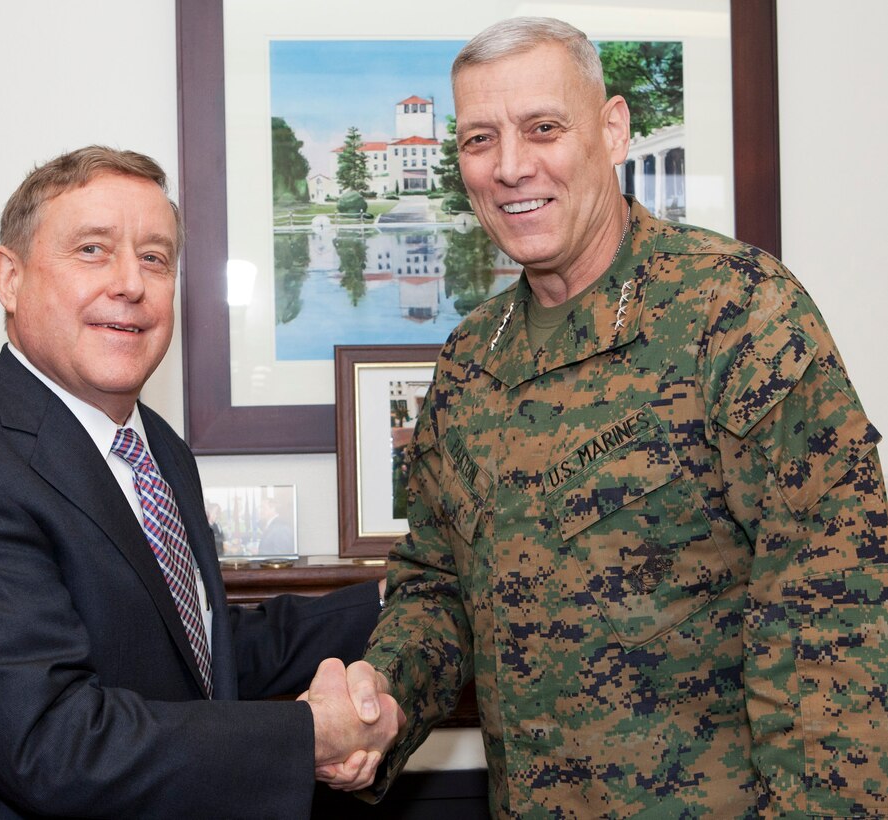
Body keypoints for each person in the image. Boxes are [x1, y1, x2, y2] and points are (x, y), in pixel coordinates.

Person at [356, 16, 888, 818]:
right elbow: (437, 585)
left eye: (543, 128)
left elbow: (833, 606)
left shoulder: (737, 312)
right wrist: (381, 703)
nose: (509, 167)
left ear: (610, 130)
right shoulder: (468, 360)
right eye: (477, 140)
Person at [0, 146, 402, 819]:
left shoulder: (157, 449)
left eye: (154, 257)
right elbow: (54, 745)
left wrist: (386, 599)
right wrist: (313, 733)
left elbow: (197, 651)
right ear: (10, 278)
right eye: (92, 250)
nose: (130, 283)